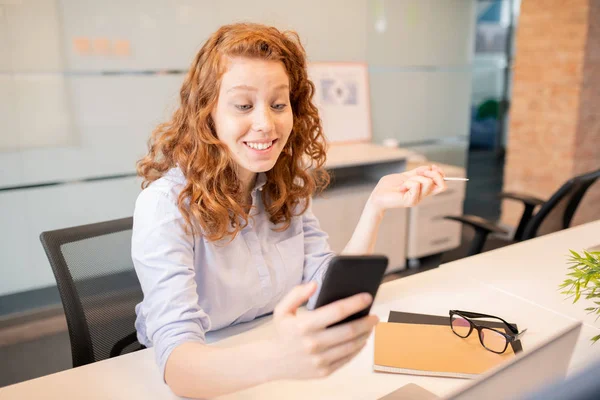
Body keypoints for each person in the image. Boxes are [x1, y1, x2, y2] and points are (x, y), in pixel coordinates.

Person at [133, 22, 446, 398]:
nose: (266, 123)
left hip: (272, 361)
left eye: (279, 104)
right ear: (207, 113)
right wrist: (276, 360)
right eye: (244, 105)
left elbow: (325, 289)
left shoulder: (281, 188)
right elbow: (178, 367)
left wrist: (375, 205)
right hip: (207, 373)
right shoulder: (165, 205)